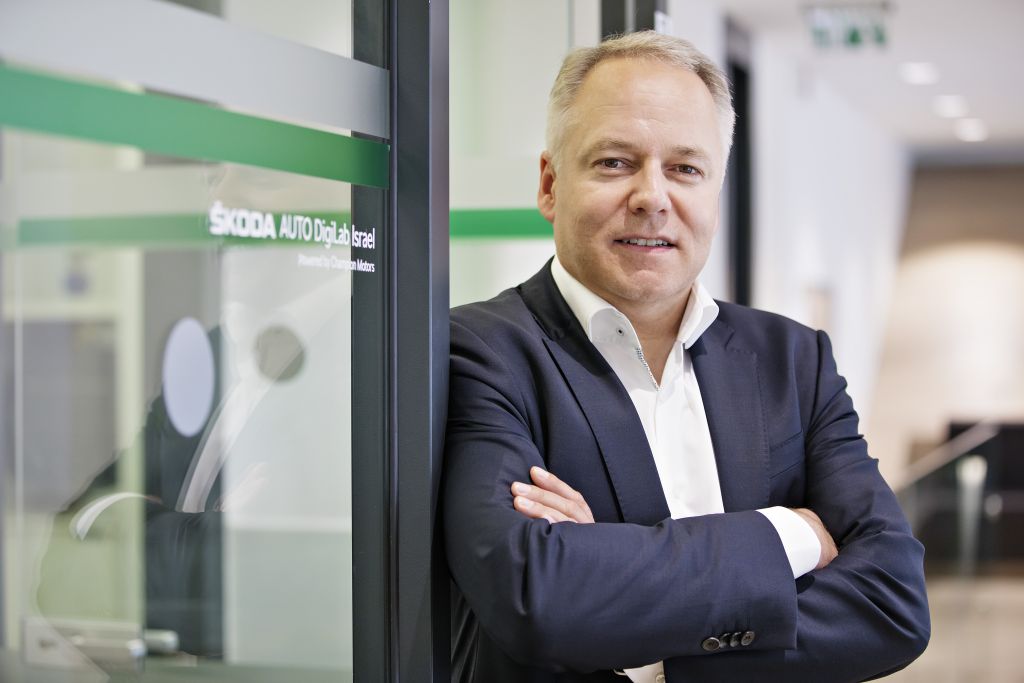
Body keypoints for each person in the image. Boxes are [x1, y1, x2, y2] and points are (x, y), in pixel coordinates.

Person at [443, 30, 930, 683]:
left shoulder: (793, 360)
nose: (652, 196)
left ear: (715, 191)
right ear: (551, 184)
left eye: (685, 169)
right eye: (615, 162)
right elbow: (536, 595)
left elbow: (893, 604)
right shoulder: (478, 353)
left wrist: (628, 607)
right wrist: (792, 535)